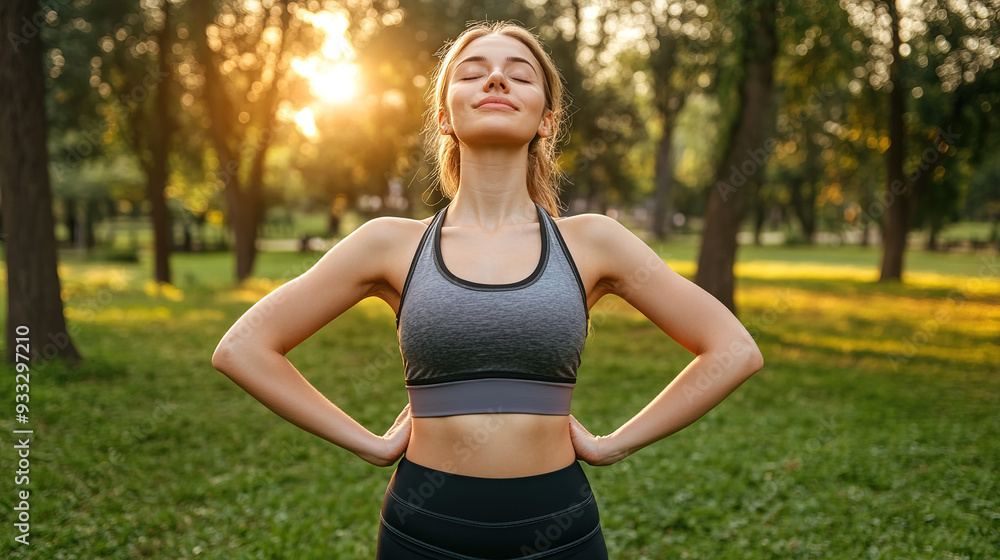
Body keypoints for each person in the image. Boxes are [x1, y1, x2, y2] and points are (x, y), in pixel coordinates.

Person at [211, 20, 764, 560]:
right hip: (424, 531)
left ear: (547, 121)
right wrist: (369, 444)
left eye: (519, 75)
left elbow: (733, 349)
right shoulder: (387, 245)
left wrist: (612, 444)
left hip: (558, 528)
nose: (496, 80)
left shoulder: (595, 243)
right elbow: (244, 349)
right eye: (473, 73)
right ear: (445, 117)